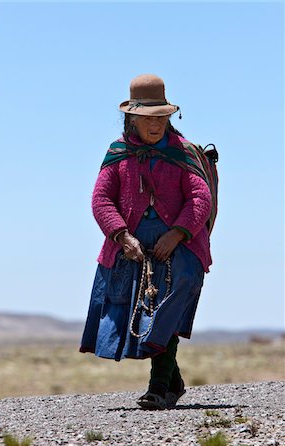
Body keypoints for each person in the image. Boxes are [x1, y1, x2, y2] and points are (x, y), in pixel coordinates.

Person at [80, 74, 218, 410]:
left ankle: (158, 388)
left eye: (161, 117)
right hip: (132, 250)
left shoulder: (183, 153)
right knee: (141, 314)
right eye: (147, 118)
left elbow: (200, 197)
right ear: (132, 118)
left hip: (181, 247)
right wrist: (122, 236)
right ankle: (173, 382)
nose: (155, 125)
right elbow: (101, 199)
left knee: (168, 307)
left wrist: (178, 233)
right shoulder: (118, 154)